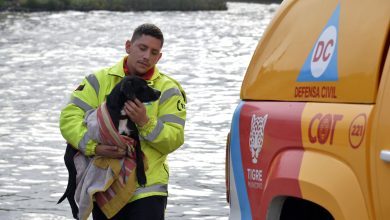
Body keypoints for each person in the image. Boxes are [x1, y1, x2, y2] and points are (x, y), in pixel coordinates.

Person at [59, 23, 186, 220]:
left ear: (159, 57)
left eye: (154, 52)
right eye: (142, 48)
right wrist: (94, 147)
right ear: (128, 46)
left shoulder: (168, 90)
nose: (146, 56)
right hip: (105, 185)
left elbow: (174, 139)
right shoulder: (98, 80)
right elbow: (69, 120)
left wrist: (145, 122)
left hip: (148, 188)